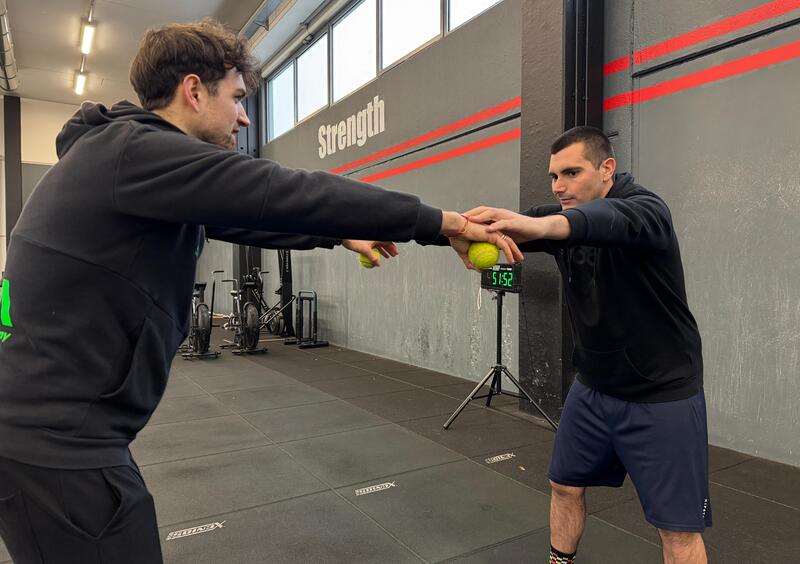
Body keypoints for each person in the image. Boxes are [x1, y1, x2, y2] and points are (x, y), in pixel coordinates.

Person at [0, 19, 522, 564]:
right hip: (57, 443)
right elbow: (280, 192)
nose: (245, 117)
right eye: (237, 98)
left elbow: (247, 219)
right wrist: (441, 222)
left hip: (60, 433)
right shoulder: (135, 153)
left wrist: (339, 233)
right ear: (194, 90)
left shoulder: (124, 158)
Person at [458, 126, 710, 564]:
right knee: (563, 485)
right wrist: (448, 229)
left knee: (676, 529)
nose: (559, 186)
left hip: (661, 395)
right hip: (593, 390)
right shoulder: (563, 214)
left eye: (571, 173)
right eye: (554, 176)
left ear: (607, 168)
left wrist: (542, 225)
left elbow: (598, 222)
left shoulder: (646, 211)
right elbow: (509, 227)